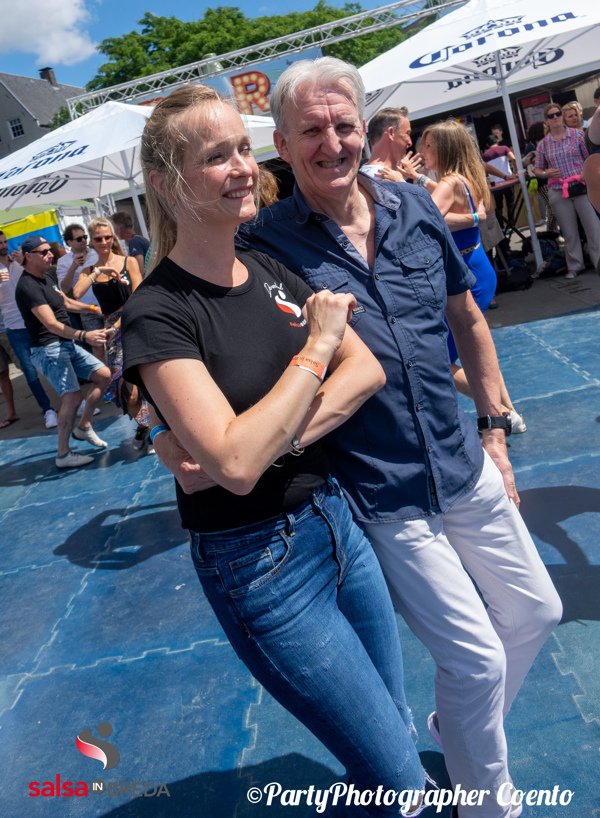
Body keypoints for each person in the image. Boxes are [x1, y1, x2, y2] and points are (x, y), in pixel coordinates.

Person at [162, 57, 563, 818]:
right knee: (476, 660)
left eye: (344, 125)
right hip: (381, 491)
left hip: (463, 459)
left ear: (365, 127)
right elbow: (197, 318)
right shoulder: (264, 244)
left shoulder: (413, 206)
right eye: (311, 130)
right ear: (283, 145)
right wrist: (162, 425)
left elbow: (467, 318)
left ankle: (457, 731)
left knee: (538, 613)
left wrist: (494, 429)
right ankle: (490, 803)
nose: (332, 143)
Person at [121, 84, 433, 817]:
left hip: (337, 525)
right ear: (166, 184)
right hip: (260, 567)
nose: (243, 167)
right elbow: (233, 465)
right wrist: (315, 348)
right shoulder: (158, 311)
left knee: (390, 736)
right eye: (216, 156)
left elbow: (367, 372)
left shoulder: (265, 269)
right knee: (399, 779)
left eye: (243, 148)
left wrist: (266, 441)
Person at [400, 119, 525, 434]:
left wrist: (402, 188)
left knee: (442, 359)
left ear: (443, 149)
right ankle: (510, 412)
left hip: (465, 275)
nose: (422, 151)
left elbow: (423, 221)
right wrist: (417, 179)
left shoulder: (448, 183)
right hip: (476, 268)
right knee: (479, 348)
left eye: (428, 146)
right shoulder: (464, 179)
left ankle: (502, 413)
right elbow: (457, 211)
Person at [14, 236, 111, 469]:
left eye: (50, 250)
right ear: (28, 256)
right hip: (48, 349)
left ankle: (84, 426)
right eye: (44, 252)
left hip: (65, 344)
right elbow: (51, 324)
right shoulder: (27, 286)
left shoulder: (47, 277)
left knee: (104, 376)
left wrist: (93, 308)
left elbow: (65, 302)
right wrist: (84, 336)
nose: (50, 254)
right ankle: (63, 454)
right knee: (72, 397)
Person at [73, 218, 150, 451]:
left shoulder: (128, 262)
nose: (104, 242)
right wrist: (98, 271)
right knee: (128, 393)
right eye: (98, 238)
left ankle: (154, 431)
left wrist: (117, 325)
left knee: (150, 384)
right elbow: (76, 293)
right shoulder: (89, 270)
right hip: (112, 334)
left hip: (134, 325)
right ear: (91, 241)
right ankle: (145, 426)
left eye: (108, 237)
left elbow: (138, 297)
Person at [534, 102, 600, 280]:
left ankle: (598, 262)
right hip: (559, 190)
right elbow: (537, 169)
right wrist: (546, 173)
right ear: (546, 120)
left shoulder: (577, 135)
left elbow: (590, 157)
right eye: (551, 116)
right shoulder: (543, 144)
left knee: (593, 228)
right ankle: (575, 265)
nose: (555, 118)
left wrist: (586, 173)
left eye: (557, 114)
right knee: (569, 232)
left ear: (561, 116)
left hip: (581, 187)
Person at [0, 232, 57, 429]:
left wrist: (23, 263)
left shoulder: (20, 262)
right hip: (14, 328)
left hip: (35, 322)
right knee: (29, 372)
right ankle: (47, 409)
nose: (3, 246)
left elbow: (38, 280)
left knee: (54, 363)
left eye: (5, 242)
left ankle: (73, 399)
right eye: (0, 243)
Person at [57, 223, 104, 360]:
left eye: (84, 237)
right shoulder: (64, 261)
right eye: (79, 239)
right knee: (97, 345)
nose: (83, 240)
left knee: (117, 340)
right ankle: (105, 373)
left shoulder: (96, 251)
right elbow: (64, 288)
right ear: (69, 242)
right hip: (88, 309)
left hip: (107, 303)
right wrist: (73, 267)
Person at [361, 107, 422, 181]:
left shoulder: (360, 175)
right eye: (407, 133)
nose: (410, 143)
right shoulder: (382, 177)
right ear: (391, 133)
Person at [522, 123, 558, 233]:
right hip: (541, 181)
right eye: (544, 128)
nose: (547, 129)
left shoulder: (547, 142)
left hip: (552, 180)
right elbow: (524, 164)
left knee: (554, 207)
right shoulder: (531, 146)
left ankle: (554, 232)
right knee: (553, 207)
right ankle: (551, 233)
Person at [110, 211, 150, 279]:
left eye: (113, 228)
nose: (113, 232)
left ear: (119, 229)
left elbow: (140, 271)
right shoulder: (139, 239)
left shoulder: (134, 242)